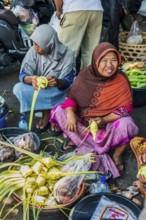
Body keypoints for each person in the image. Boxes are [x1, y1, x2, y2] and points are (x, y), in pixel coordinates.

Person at [50, 42, 139, 176]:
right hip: (84, 125)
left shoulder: (121, 79)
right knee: (60, 111)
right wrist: (70, 113)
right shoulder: (86, 74)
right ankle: (78, 140)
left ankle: (116, 156)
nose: (109, 65)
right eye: (104, 60)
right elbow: (71, 98)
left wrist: (103, 119)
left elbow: (126, 108)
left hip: (107, 128)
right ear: (96, 61)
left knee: (128, 124)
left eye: (114, 60)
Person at [13, 24, 76, 132]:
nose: (35, 47)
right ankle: (46, 112)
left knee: (75, 88)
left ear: (50, 44)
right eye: (34, 43)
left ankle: (56, 113)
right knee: (18, 88)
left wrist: (58, 82)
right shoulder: (33, 51)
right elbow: (23, 75)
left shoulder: (67, 53)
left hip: (58, 91)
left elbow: (69, 80)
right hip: (40, 90)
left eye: (38, 45)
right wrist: (31, 79)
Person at [54, 0, 103, 70]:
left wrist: (58, 10)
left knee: (67, 51)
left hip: (74, 10)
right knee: (90, 53)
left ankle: (65, 79)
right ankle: (87, 79)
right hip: (96, 9)